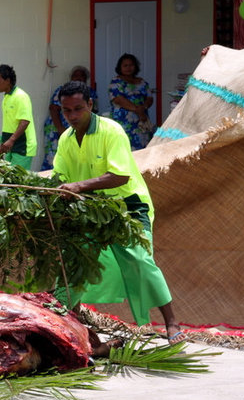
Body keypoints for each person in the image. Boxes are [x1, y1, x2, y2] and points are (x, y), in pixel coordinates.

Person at [52, 81, 185, 345]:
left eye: (78, 109)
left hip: (128, 207)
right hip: (91, 208)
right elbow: (59, 175)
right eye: (67, 111)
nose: (73, 116)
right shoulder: (66, 139)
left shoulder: (111, 131)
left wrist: (78, 186)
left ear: (90, 105)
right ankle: (63, 319)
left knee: (140, 261)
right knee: (74, 260)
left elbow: (119, 176)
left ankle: (171, 323)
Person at [41, 65, 98, 170]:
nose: (79, 78)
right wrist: (60, 129)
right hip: (56, 128)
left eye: (82, 76)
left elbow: (92, 111)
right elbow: (53, 109)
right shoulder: (62, 90)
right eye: (75, 75)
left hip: (78, 128)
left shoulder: (90, 92)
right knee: (53, 156)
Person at [0, 64, 36, 170]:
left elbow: (25, 121)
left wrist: (11, 140)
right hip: (11, 145)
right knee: (7, 179)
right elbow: (9, 125)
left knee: (18, 182)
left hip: (23, 146)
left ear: (7, 81)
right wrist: (2, 145)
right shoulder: (6, 97)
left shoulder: (21, 96)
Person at [109, 53, 154, 150]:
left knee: (143, 149)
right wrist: (138, 110)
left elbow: (150, 98)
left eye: (131, 65)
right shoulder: (115, 82)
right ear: (120, 67)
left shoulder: (142, 82)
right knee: (124, 149)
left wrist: (144, 107)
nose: (128, 68)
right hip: (123, 121)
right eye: (125, 65)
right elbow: (118, 99)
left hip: (141, 121)